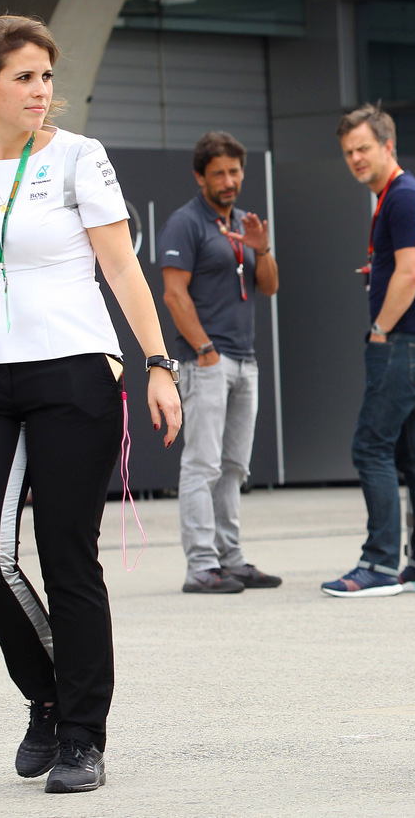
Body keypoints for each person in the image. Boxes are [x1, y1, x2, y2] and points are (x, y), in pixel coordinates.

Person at [0, 14, 182, 793]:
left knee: (66, 555)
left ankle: (82, 735)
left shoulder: (76, 159)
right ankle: (48, 688)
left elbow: (123, 268)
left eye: (47, 77)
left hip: (72, 372)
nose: (42, 92)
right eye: (25, 77)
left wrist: (157, 361)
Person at [321, 104, 415, 597]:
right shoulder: (399, 195)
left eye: (363, 148)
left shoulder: (400, 196)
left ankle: (377, 564)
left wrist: (379, 327)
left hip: (402, 343)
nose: (355, 158)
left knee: (370, 446)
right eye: (348, 151)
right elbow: (406, 266)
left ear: (387, 147)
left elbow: (413, 271)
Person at [160, 132, 283, 593]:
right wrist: (206, 351)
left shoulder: (242, 225)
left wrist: (262, 248)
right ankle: (201, 567)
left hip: (245, 360)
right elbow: (174, 295)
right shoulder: (185, 223)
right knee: (202, 465)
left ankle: (230, 558)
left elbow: (269, 287)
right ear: (200, 176)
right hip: (205, 362)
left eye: (235, 171)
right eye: (219, 173)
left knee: (234, 466)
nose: (229, 181)